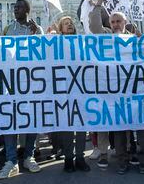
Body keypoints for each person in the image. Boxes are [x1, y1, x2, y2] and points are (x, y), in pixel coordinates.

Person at [89, 0, 144, 174]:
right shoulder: (106, 36)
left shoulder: (135, 39)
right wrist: (99, 2)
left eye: (118, 21)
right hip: (113, 88)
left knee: (140, 125)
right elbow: (94, 26)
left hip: (134, 87)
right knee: (120, 126)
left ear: (125, 22)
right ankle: (122, 159)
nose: (115, 24)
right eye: (113, 21)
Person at [0, 0, 43, 179]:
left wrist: (35, 35)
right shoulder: (7, 29)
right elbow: (0, 53)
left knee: (31, 118)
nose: (15, 9)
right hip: (11, 82)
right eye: (14, 7)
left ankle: (28, 155)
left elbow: (44, 54)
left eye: (19, 7)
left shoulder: (38, 30)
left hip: (31, 82)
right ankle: (11, 160)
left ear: (28, 10)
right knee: (10, 119)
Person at [56, 16, 90, 173]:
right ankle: (69, 158)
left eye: (71, 24)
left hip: (80, 87)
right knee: (67, 125)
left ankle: (80, 157)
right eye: (65, 24)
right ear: (60, 29)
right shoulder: (54, 43)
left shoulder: (81, 42)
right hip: (63, 89)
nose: (69, 25)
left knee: (81, 124)